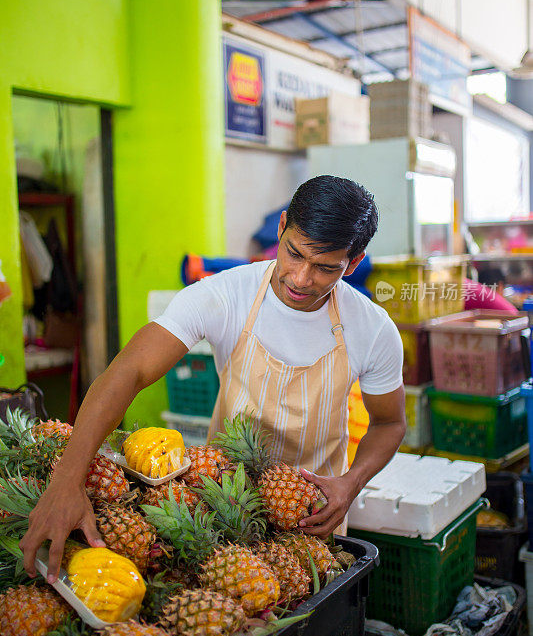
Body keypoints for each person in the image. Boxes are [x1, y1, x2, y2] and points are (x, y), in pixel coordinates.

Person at [20, 174, 406, 582]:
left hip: (314, 521)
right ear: (282, 226)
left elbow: (390, 422)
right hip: (219, 509)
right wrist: (67, 481)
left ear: (355, 262)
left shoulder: (372, 329)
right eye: (294, 253)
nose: (300, 278)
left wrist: (350, 483)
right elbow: (128, 371)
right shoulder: (224, 296)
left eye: (326, 269)